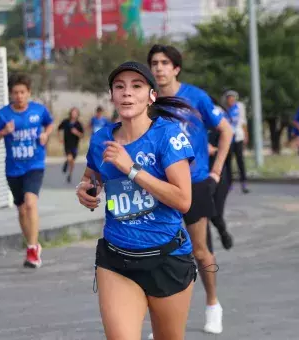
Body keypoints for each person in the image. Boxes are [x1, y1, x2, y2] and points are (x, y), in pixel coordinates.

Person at [76, 61, 197, 340]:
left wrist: (131, 169)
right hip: (118, 260)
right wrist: (87, 190)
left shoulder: (167, 136)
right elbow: (91, 178)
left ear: (151, 95)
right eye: (120, 87)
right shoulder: (101, 140)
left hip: (167, 258)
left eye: (137, 86)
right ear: (112, 96)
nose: (127, 93)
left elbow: (183, 200)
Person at [148, 44, 233, 335]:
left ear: (176, 68)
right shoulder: (148, 100)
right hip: (159, 186)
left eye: (164, 63)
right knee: (159, 254)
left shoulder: (195, 97)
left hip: (194, 183)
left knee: (200, 250)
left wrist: (216, 172)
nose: (159, 68)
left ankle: (212, 304)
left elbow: (227, 131)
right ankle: (163, 322)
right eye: (154, 63)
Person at [0, 73, 54, 268]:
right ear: (10, 94)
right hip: (13, 168)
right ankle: (32, 244)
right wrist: (2, 132)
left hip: (34, 165)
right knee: (21, 209)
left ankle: (32, 249)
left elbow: (49, 123)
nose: (19, 96)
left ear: (29, 93)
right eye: (15, 93)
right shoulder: (3, 115)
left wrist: (45, 134)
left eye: (22, 92)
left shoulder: (38, 110)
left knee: (30, 203)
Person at [222, 90, 250, 193]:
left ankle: (244, 182)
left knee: (240, 160)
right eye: (229, 98)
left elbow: (243, 121)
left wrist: (246, 135)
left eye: (233, 98)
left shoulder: (239, 107)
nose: (231, 100)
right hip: (227, 138)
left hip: (238, 136)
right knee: (228, 161)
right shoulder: (223, 109)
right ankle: (229, 183)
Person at [58, 107, 84, 183]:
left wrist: (76, 132)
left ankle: (70, 174)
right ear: (70, 113)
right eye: (73, 112)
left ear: (77, 114)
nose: (74, 114)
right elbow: (59, 129)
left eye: (75, 113)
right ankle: (67, 161)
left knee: (72, 161)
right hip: (67, 145)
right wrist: (60, 138)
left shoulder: (78, 124)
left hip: (75, 145)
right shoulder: (66, 122)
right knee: (70, 158)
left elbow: (82, 135)